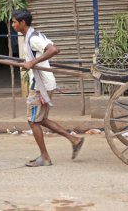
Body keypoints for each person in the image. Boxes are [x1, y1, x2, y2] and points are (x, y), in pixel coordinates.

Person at [11, 9, 84, 167]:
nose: (13, 25)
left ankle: (45, 157)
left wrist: (32, 63)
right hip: (43, 83)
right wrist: (31, 61)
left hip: (39, 85)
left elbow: (54, 49)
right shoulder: (33, 34)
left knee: (32, 120)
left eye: (14, 22)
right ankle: (74, 140)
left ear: (23, 23)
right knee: (41, 119)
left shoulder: (33, 39)